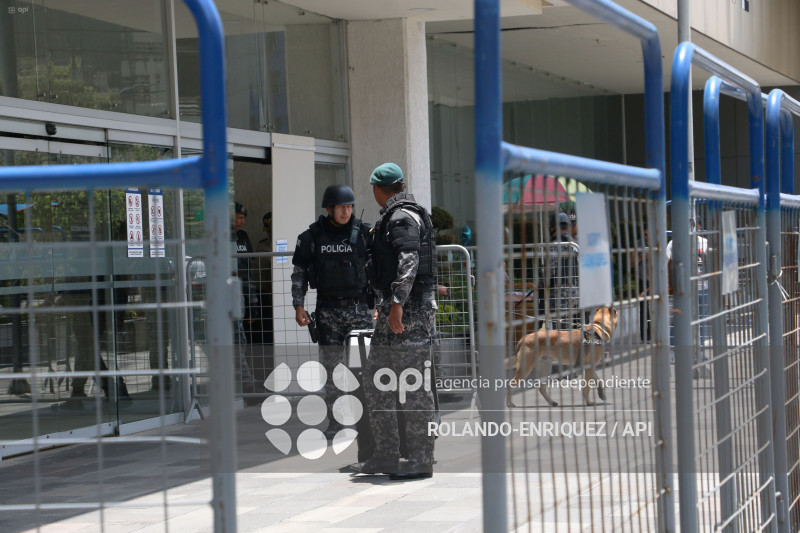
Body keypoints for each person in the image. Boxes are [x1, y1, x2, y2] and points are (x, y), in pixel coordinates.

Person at [350, 162, 437, 480]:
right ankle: (385, 454)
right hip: (392, 311)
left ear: (377, 188)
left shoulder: (402, 216)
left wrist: (398, 302)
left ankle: (420, 458)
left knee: (413, 385)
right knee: (376, 381)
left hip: (409, 311)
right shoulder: (394, 215)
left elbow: (409, 259)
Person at [291, 186, 373, 440]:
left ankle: (366, 419)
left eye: (349, 206)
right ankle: (336, 421)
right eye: (341, 207)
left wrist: (380, 305)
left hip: (359, 309)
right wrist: (299, 304)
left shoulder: (365, 233)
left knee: (363, 368)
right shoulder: (312, 237)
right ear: (329, 209)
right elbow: (300, 273)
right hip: (327, 311)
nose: (346, 211)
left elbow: (378, 270)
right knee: (332, 370)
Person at [233, 201, 259, 398]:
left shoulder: (242, 237)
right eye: (239, 217)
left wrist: (252, 302)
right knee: (236, 343)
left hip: (241, 297)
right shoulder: (219, 236)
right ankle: (248, 388)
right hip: (226, 298)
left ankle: (246, 387)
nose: (242, 221)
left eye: (243, 218)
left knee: (240, 343)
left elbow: (249, 271)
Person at [547, 212, 579, 330]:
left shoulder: (555, 244)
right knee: (576, 328)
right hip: (577, 293)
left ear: (552, 227)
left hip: (560, 295)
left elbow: (549, 270)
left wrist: (541, 283)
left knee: (561, 332)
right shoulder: (575, 243)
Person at [630, 223, 651, 343]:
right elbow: (631, 264)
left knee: (657, 308)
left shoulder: (658, 243)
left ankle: (657, 334)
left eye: (649, 235)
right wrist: (641, 257)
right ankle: (645, 336)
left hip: (655, 280)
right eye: (645, 235)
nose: (647, 237)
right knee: (644, 309)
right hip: (642, 280)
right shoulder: (638, 244)